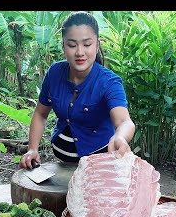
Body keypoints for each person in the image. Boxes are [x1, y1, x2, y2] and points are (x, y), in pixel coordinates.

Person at [20, 11, 135, 169]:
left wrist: (120, 137)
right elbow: (40, 113)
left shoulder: (109, 82)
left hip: (98, 166)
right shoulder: (54, 73)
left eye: (87, 44)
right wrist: (32, 149)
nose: (80, 52)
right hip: (62, 165)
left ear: (97, 45)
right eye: (72, 45)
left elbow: (124, 121)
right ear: (63, 46)